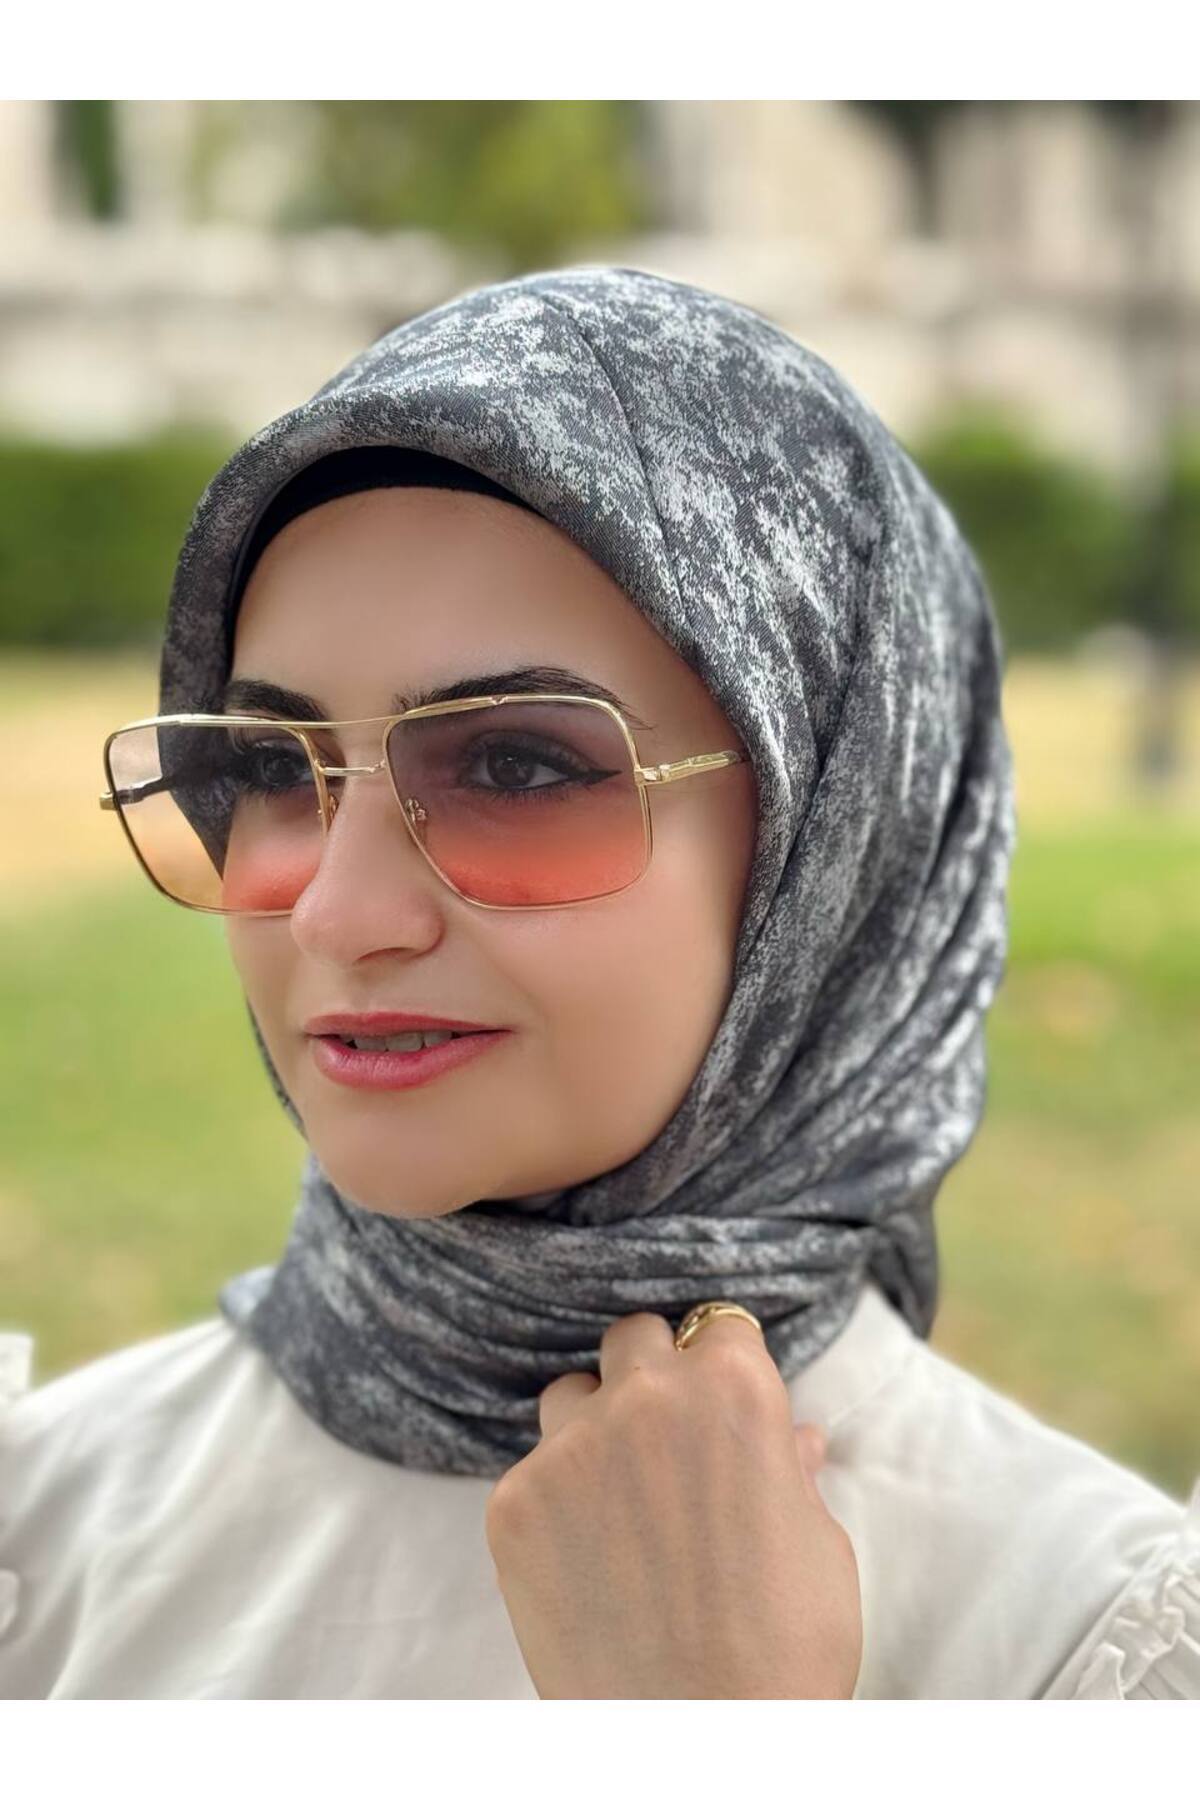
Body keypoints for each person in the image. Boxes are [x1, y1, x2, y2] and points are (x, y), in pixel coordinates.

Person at [1, 265, 1197, 1700]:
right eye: (268, 766)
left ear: (832, 849)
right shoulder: (45, 1543)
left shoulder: (1091, 1648)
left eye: (515, 765)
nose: (336, 911)